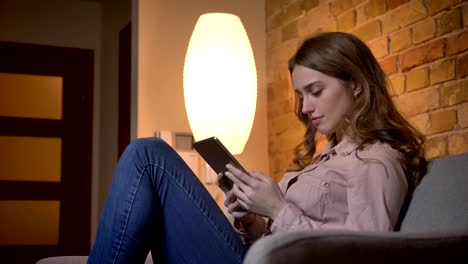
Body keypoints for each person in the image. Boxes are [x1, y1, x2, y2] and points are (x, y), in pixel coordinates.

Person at [88, 32, 427, 264]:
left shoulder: (376, 159)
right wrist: (252, 219)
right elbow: (284, 241)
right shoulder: (329, 155)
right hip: (254, 256)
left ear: (354, 84)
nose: (306, 107)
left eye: (316, 90)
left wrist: (279, 210)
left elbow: (369, 255)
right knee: (148, 160)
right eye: (301, 95)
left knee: (149, 157)